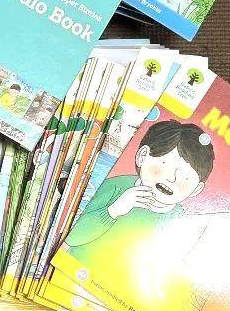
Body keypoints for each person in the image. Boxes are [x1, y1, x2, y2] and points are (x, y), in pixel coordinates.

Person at [66, 120, 215, 282]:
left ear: (196, 189)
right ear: (142, 156)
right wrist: (114, 211)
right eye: (164, 164)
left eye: (185, 177)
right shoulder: (116, 187)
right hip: (74, 272)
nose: (171, 179)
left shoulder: (180, 221)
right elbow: (72, 238)